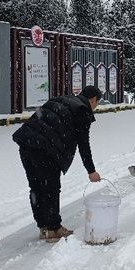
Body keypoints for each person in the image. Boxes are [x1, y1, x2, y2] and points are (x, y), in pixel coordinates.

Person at [13, 85, 103, 242]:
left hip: (26, 142)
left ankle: (43, 226)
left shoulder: (60, 99)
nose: (95, 107)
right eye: (97, 103)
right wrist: (91, 170)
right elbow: (83, 143)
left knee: (36, 187)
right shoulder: (82, 110)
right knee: (50, 188)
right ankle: (53, 229)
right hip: (45, 148)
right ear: (93, 100)